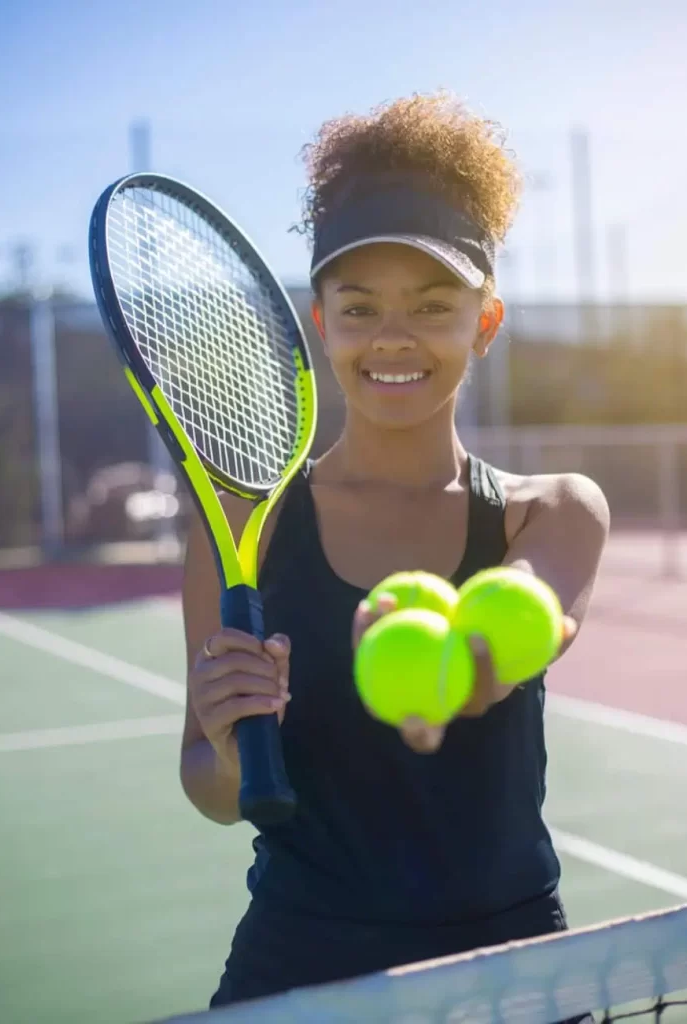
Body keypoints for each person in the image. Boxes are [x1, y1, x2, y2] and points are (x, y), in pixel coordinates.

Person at [180, 93, 609, 1017]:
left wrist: (461, 672)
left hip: (515, 966)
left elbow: (532, 620)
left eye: (432, 306)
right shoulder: (240, 525)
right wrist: (223, 737)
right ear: (321, 322)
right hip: (300, 959)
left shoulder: (553, 512)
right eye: (361, 307)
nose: (393, 339)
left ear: (482, 324)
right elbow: (213, 791)